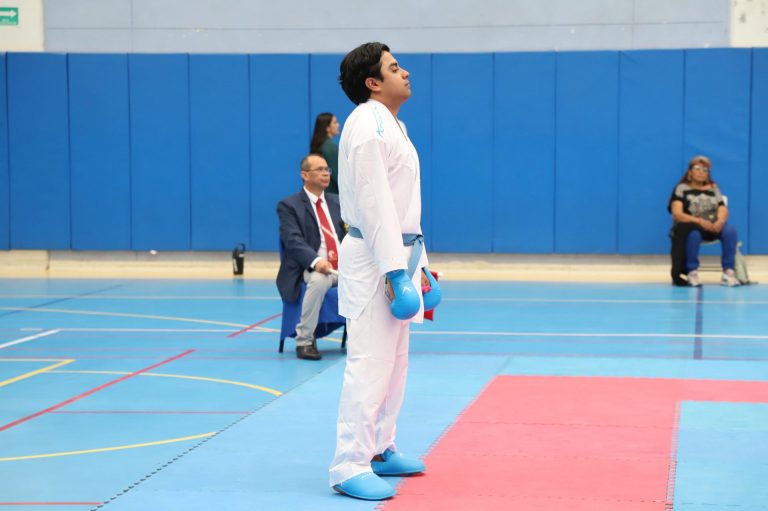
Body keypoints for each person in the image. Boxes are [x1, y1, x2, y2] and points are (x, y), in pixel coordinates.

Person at [328, 42, 441, 501]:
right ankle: (348, 464)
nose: (405, 72)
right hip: (374, 258)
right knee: (370, 364)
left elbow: (404, 206)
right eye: (395, 68)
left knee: (395, 364)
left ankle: (380, 448)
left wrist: (422, 269)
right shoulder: (366, 125)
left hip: (401, 252)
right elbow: (373, 205)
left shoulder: (394, 124)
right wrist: (394, 272)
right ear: (373, 82)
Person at [276, 154, 346, 360]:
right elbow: (293, 240)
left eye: (327, 169)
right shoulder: (289, 205)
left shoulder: (338, 202)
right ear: (305, 175)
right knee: (319, 279)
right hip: (310, 268)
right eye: (320, 170)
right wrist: (316, 262)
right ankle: (305, 341)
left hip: (344, 268)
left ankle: (366, 338)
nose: (326, 173)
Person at [668, 155, 741, 287]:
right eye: (697, 168)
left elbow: (722, 207)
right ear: (690, 172)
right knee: (693, 235)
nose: (701, 172)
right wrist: (700, 222)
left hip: (714, 225)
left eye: (705, 169)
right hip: (693, 226)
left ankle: (728, 272)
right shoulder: (682, 188)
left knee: (730, 231)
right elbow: (677, 213)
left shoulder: (713, 188)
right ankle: (692, 272)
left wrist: (720, 221)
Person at [310, 113, 340, 194]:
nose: (338, 125)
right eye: (335, 122)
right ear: (327, 128)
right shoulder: (330, 147)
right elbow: (338, 176)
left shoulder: (321, 145)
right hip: (333, 194)